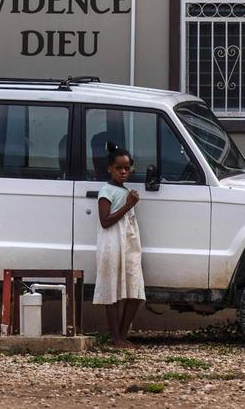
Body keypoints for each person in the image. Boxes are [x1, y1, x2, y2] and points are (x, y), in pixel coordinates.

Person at [94, 141, 146, 348]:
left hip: (129, 244)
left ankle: (122, 336)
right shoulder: (106, 191)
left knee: (135, 290)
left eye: (127, 168)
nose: (123, 172)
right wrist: (128, 205)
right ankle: (116, 337)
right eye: (119, 168)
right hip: (112, 244)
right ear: (110, 169)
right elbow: (105, 221)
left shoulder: (125, 191)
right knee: (112, 291)